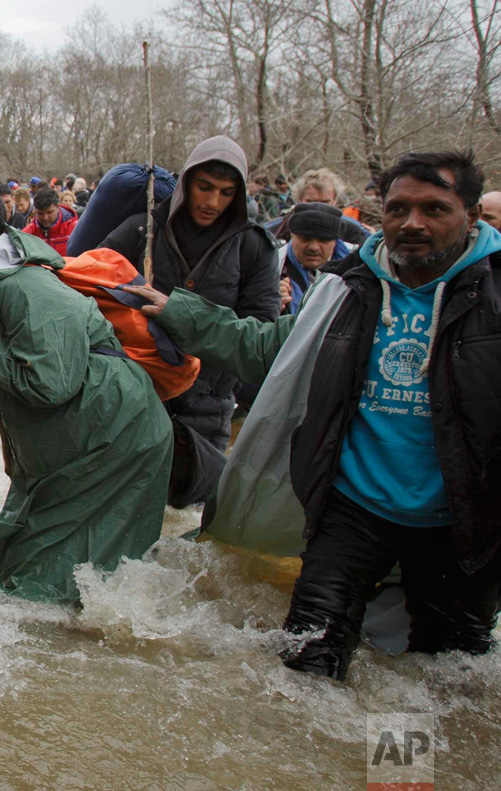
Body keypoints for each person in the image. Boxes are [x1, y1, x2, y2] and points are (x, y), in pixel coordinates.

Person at [126, 150, 501, 682]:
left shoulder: (496, 296)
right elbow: (269, 346)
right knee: (307, 667)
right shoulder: (348, 289)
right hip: (351, 511)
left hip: (464, 525)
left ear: (469, 215)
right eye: (398, 209)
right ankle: (319, 764)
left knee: (446, 678)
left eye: (434, 209)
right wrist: (179, 311)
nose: (412, 223)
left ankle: (402, 768)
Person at [0, 187, 171, 606]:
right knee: (12, 565)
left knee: (37, 594)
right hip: (70, 444)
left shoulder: (24, 284)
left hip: (114, 440)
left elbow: (48, 384)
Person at [100, 135, 279, 508]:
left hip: (207, 414)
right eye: (205, 187)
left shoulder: (254, 247)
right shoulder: (141, 231)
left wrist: (184, 315)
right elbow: (90, 287)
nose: (213, 202)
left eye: (227, 192)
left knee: (192, 526)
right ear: (185, 184)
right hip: (133, 403)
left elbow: (261, 335)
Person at [278, 202, 348, 315]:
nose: (314, 247)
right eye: (305, 239)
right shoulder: (271, 269)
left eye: (323, 240)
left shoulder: (353, 274)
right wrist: (270, 305)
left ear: (335, 241)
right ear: (292, 236)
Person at [22, 187, 78, 255]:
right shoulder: (27, 235)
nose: (45, 218)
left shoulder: (75, 229)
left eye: (49, 212)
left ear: (58, 207)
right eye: (40, 213)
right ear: (35, 210)